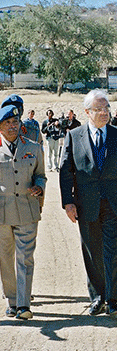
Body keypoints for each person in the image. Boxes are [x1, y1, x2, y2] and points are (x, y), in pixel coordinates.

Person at [59, 89, 117, 317]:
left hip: (114, 202)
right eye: (99, 109)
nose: (104, 113)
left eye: (107, 109)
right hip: (86, 203)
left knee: (114, 251)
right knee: (92, 252)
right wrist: (68, 203)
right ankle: (97, 298)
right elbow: (66, 172)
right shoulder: (74, 136)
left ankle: (112, 300)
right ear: (87, 112)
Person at [0, 105, 46, 320]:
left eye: (15, 122)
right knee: (5, 258)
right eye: (7, 123)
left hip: (27, 211)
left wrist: (39, 187)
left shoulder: (34, 147)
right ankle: (12, 301)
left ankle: (24, 305)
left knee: (25, 258)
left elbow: (41, 175)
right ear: (0, 127)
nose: (12, 126)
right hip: (1, 214)